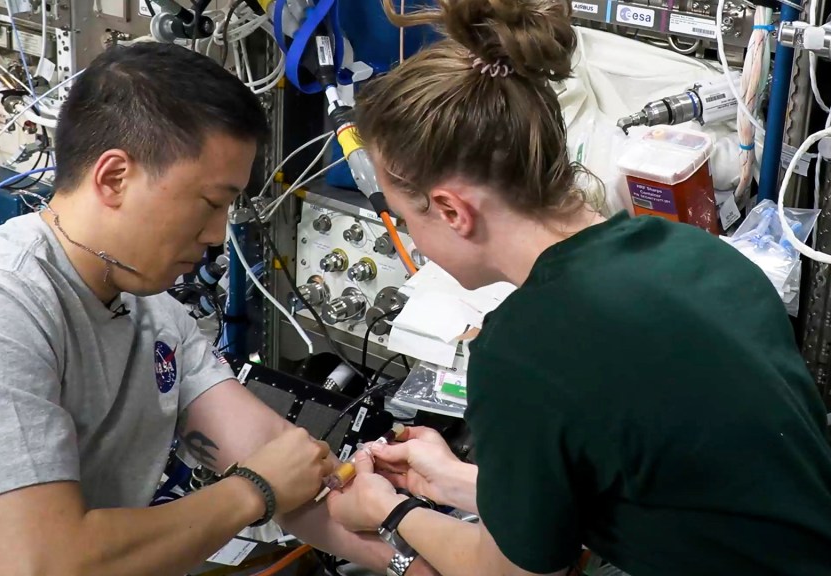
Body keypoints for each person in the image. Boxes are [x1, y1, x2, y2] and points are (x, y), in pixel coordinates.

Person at [0, 43, 435, 576]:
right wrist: (256, 492)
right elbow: (39, 565)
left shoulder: (149, 311)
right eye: (210, 203)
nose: (218, 234)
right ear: (113, 178)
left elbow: (277, 456)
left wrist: (412, 550)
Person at [326, 0, 831, 575]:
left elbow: (505, 573)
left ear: (450, 210)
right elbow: (671, 483)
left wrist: (389, 512)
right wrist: (457, 481)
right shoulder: (692, 252)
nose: (412, 240)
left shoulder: (524, 348)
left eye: (405, 217)